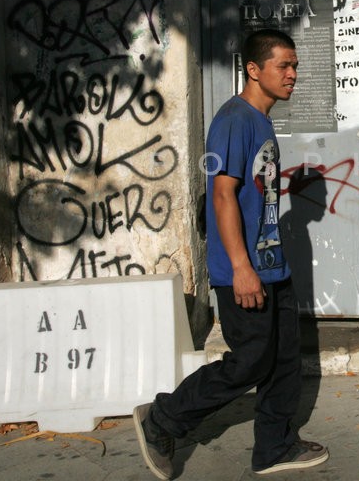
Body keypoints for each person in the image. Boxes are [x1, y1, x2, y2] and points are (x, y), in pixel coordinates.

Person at [133, 29, 328, 479]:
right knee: (250, 361)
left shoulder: (260, 120)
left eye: (295, 66)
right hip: (244, 270)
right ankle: (162, 419)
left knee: (283, 360)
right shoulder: (234, 120)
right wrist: (241, 268)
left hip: (271, 265)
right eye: (283, 65)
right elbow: (222, 196)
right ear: (253, 70)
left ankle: (275, 447)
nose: (292, 74)